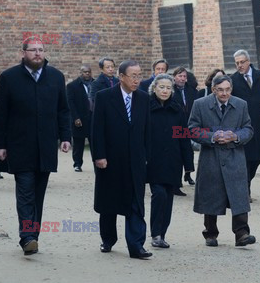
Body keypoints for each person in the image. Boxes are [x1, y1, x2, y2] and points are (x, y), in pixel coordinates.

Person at [0, 36, 71, 255]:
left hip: (46, 147)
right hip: (20, 146)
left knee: (38, 195)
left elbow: (63, 110)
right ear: (23, 53)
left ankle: (32, 235)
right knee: (25, 192)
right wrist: (0, 145)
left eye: (41, 49)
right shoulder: (9, 77)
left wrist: (66, 137)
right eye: (33, 50)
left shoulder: (56, 77)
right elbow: (1, 114)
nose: (37, 53)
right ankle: (27, 237)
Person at [92, 59, 152, 259]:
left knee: (136, 201)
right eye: (133, 76)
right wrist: (99, 155)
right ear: (121, 77)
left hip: (135, 159)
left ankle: (136, 245)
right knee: (109, 201)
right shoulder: (104, 97)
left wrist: (147, 155)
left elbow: (147, 130)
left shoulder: (144, 98)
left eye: (139, 75)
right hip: (110, 158)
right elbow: (97, 130)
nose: (137, 80)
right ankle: (108, 239)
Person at [188, 75, 256, 247]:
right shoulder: (200, 104)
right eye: (220, 90)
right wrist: (212, 137)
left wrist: (236, 136)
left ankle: (242, 234)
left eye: (227, 89)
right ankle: (210, 234)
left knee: (239, 195)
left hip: (235, 156)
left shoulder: (241, 104)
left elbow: (248, 128)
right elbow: (192, 130)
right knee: (211, 194)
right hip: (211, 157)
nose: (224, 93)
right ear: (213, 90)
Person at [147, 74, 194, 248]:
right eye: (161, 87)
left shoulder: (177, 109)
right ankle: (155, 234)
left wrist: (188, 164)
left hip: (173, 161)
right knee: (158, 194)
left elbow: (184, 137)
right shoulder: (146, 107)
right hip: (153, 160)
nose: (165, 91)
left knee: (168, 197)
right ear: (154, 88)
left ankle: (162, 234)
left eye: (168, 88)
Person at [231, 50, 260, 202]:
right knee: (246, 158)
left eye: (242, 62)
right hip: (243, 125)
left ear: (248, 61)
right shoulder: (233, 79)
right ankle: (245, 190)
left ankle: (246, 185)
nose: (239, 65)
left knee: (257, 159)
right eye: (237, 63)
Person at [172, 67, 198, 195]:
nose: (182, 78)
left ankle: (188, 174)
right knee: (177, 154)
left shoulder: (191, 90)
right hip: (175, 126)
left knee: (187, 151)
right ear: (174, 77)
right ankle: (176, 183)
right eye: (180, 76)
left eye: (184, 76)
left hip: (188, 125)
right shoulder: (171, 90)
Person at [67, 65, 93, 172]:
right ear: (80, 72)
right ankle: (77, 164)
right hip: (79, 118)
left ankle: (97, 163)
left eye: (89, 72)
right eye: (84, 72)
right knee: (78, 143)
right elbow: (70, 103)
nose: (87, 74)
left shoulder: (95, 84)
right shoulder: (72, 86)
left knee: (95, 143)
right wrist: (75, 118)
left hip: (92, 118)